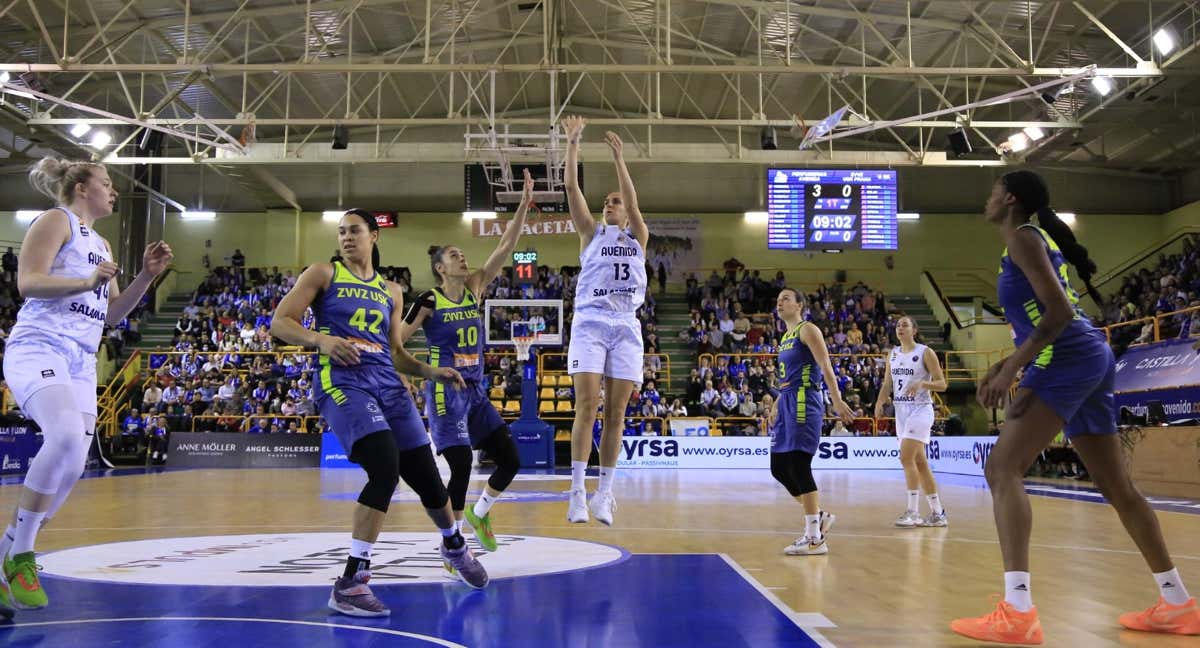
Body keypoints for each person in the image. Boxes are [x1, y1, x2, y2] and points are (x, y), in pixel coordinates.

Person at [951, 170, 1199, 643]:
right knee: (1117, 487)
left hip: (1070, 356)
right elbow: (1043, 322)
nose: (986, 199)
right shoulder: (1031, 239)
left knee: (1003, 467)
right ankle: (1177, 603)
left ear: (1008, 198)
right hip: (1085, 356)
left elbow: (1060, 312)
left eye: (991, 192)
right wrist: (1009, 362)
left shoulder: (1024, 239)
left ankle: (1018, 612)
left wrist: (1012, 371)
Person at [271, 208, 487, 618]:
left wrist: (430, 370)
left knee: (427, 479)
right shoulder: (323, 273)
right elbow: (281, 322)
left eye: (355, 231)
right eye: (341, 232)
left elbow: (395, 353)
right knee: (385, 468)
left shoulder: (392, 291)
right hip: (344, 384)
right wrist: (320, 339)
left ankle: (455, 546)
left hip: (390, 386)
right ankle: (351, 583)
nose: (346, 238)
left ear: (374, 237)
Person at [0, 157, 173, 617]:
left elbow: (113, 316)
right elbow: (28, 282)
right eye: (107, 183)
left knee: (74, 462)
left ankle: (3, 564)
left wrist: (146, 276)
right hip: (40, 346)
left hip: (80, 360)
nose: (114, 190)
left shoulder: (100, 241)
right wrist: (84, 281)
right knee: (60, 437)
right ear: (81, 188)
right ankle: (22, 555)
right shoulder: (56, 220)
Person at [399, 169, 532, 553]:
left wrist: (523, 205)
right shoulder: (428, 300)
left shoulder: (475, 287)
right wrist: (413, 372)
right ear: (441, 268)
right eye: (454, 255)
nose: (462, 257)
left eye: (462, 254)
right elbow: (396, 343)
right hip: (444, 392)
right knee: (459, 466)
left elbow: (505, 246)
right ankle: (452, 544)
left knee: (510, 460)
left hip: (475, 391)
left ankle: (479, 513)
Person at [560, 116, 649, 526]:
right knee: (587, 405)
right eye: (606, 203)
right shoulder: (590, 234)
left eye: (615, 202)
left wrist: (618, 158)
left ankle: (604, 494)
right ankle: (577, 493)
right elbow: (571, 189)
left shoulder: (638, 237)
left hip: (627, 325)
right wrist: (573, 144)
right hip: (591, 322)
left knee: (617, 415)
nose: (609, 205)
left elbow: (632, 202)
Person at [770, 288, 853, 557]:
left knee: (798, 463)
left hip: (806, 398)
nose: (780, 302)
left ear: (800, 305)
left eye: (786, 299)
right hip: (787, 400)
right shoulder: (785, 337)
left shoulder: (808, 330)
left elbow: (826, 366)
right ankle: (819, 516)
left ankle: (815, 538)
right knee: (779, 467)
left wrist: (837, 400)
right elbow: (787, 377)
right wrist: (776, 405)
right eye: (779, 299)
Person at [875, 316, 948, 528]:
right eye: (898, 325)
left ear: (914, 330)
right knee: (920, 463)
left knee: (905, 457)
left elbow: (942, 384)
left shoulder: (925, 352)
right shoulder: (893, 354)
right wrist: (880, 402)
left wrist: (923, 383)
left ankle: (913, 511)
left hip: (920, 409)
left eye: (905, 325)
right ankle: (938, 512)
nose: (900, 328)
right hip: (901, 411)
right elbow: (887, 383)